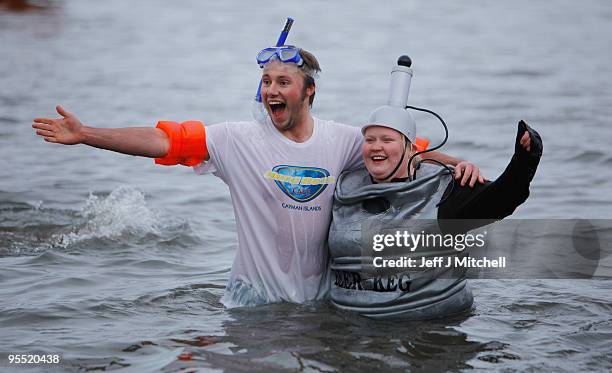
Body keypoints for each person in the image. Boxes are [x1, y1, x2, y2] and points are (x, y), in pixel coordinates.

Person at [32, 45, 483, 307]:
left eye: (283, 82)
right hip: (252, 303)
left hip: (322, 303)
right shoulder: (237, 140)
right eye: (266, 81)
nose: (271, 90)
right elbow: (163, 140)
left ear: (309, 91)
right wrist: (86, 133)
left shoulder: (344, 141)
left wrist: (456, 164)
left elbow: (405, 153)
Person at [327, 103, 542, 319]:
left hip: (431, 325)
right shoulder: (344, 187)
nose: (376, 146)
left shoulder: (444, 189)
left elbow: (502, 198)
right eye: (370, 140)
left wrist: (524, 161)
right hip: (351, 325)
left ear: (411, 149)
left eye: (387, 140)